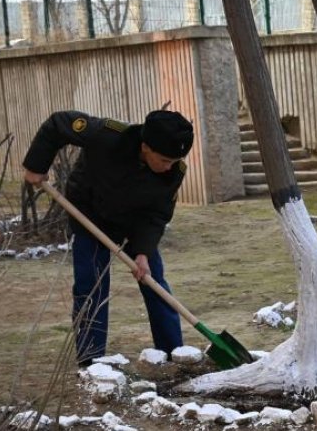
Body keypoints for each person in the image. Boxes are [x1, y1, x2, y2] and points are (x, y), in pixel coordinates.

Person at [22, 110, 194, 366]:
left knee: (154, 281)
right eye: (164, 160)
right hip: (90, 216)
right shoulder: (107, 135)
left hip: (134, 224)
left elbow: (157, 215)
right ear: (146, 146)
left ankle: (173, 353)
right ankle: (91, 361)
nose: (169, 166)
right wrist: (36, 165)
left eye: (174, 160)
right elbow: (58, 124)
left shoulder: (174, 170)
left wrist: (143, 252)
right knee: (90, 287)